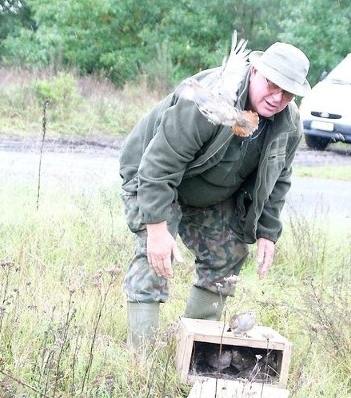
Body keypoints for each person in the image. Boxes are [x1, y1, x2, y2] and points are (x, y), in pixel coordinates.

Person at [119, 41, 311, 351]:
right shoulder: (207, 99)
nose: (277, 98)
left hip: (209, 190)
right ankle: (141, 360)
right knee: (154, 256)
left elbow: (280, 179)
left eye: (287, 93)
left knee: (228, 256)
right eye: (271, 85)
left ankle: (193, 352)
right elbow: (158, 165)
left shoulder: (288, 124)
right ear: (255, 71)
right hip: (151, 176)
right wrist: (156, 229)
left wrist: (267, 233)